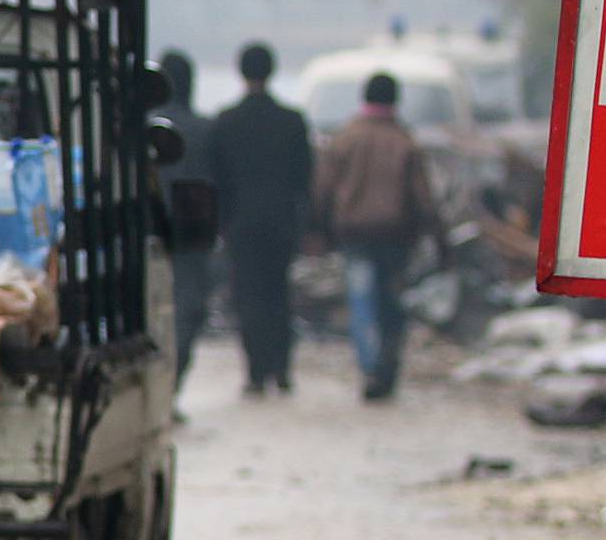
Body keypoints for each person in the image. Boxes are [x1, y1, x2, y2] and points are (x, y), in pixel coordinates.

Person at [314, 70, 444, 402]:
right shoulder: (405, 141)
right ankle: (386, 369)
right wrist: (439, 240)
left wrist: (319, 233)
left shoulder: (344, 138)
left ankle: (369, 367)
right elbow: (423, 198)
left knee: (362, 304)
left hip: (354, 236)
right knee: (391, 306)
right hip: (396, 238)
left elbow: (323, 191)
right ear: (394, 101)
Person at [212, 43, 314, 397]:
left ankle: (256, 371)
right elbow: (304, 177)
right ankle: (281, 368)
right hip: (281, 221)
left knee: (249, 297)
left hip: (240, 223)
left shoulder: (226, 122)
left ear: (241, 72)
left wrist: (222, 223)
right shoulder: (292, 121)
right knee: (279, 293)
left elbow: (218, 180)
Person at [157, 50, 217, 387]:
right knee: (188, 308)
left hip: (146, 230)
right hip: (192, 231)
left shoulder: (137, 125)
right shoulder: (205, 130)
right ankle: (173, 382)